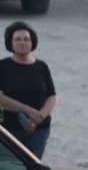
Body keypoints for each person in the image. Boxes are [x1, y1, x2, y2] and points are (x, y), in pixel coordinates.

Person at [0, 21, 57, 158]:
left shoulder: (41, 66)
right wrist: (29, 111)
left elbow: (52, 96)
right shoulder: (3, 66)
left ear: (32, 43)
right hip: (10, 130)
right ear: (10, 43)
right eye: (18, 39)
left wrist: (39, 117)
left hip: (39, 130)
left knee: (34, 167)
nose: (23, 42)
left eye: (26, 39)